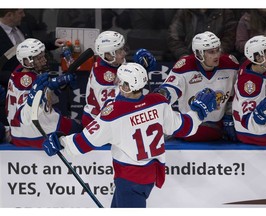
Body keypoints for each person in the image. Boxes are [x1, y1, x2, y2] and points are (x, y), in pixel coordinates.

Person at [42, 62, 217, 208]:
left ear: (127, 85)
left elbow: (84, 142)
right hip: (150, 175)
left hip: (130, 179)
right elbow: (184, 127)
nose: (117, 83)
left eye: (121, 81)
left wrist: (60, 142)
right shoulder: (158, 102)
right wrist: (198, 113)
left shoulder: (114, 112)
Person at [154, 31, 239, 142]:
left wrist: (229, 116)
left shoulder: (230, 65)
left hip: (218, 128)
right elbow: (169, 90)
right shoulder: (185, 67)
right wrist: (163, 95)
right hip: (189, 127)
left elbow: (236, 94)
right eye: (211, 52)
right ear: (199, 54)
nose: (217, 55)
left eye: (218, 50)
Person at [6, 38, 82, 148]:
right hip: (32, 134)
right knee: (80, 127)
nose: (44, 60)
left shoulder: (20, 71)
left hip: (21, 132)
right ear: (26, 61)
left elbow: (45, 96)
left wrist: (60, 84)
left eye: (42, 56)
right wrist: (54, 84)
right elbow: (25, 116)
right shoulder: (26, 81)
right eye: (38, 58)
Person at [0, 9, 66, 126]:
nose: (24, 15)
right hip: (12, 89)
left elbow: (34, 48)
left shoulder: (23, 27)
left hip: (32, 79)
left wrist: (53, 42)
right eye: (20, 13)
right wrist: (16, 77)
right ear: (9, 15)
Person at [81, 30, 156, 127]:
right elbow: (115, 105)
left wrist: (141, 66)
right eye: (119, 51)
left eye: (123, 48)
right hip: (96, 122)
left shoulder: (111, 61)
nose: (124, 53)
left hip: (105, 118)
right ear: (108, 55)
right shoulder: (104, 77)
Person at [232, 35, 266, 146]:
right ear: (258, 58)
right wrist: (259, 116)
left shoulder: (260, 66)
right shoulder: (250, 85)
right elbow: (249, 123)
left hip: (264, 127)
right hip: (258, 134)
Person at [167, 9, 238, 61]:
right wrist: (184, 56)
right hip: (189, 57)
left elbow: (229, 38)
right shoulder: (184, 12)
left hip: (217, 58)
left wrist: (215, 54)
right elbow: (174, 38)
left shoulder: (225, 12)